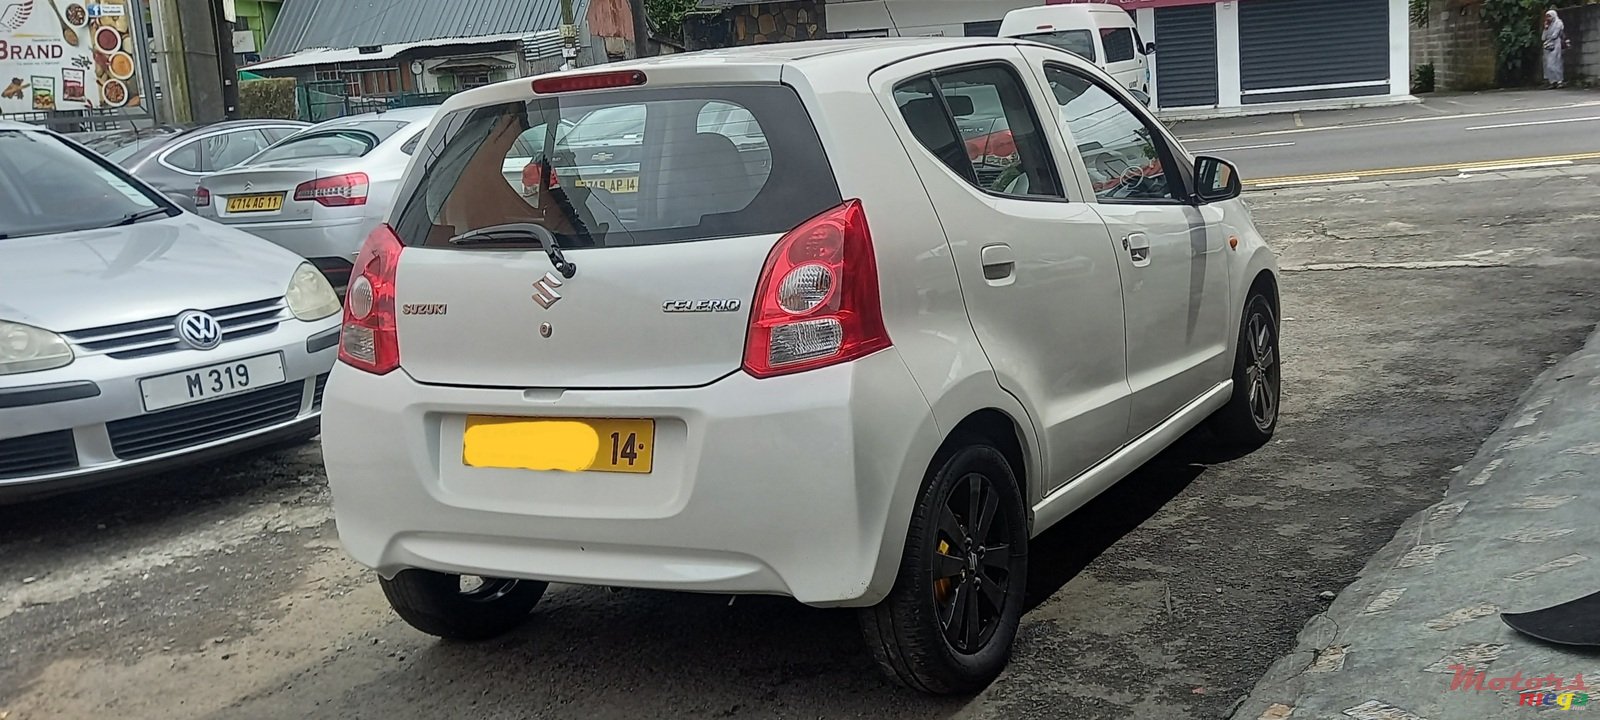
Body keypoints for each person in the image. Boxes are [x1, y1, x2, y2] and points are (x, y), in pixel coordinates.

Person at [1543, 9, 1569, 89]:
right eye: (1547, 16)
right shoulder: (1548, 25)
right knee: (1548, 64)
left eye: (1549, 16)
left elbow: (1555, 34)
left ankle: (1559, 81)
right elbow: (1543, 37)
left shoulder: (1558, 23)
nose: (1548, 18)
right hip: (1548, 45)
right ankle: (1552, 81)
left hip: (1556, 44)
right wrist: (1546, 28)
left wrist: (1549, 38)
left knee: (1556, 63)